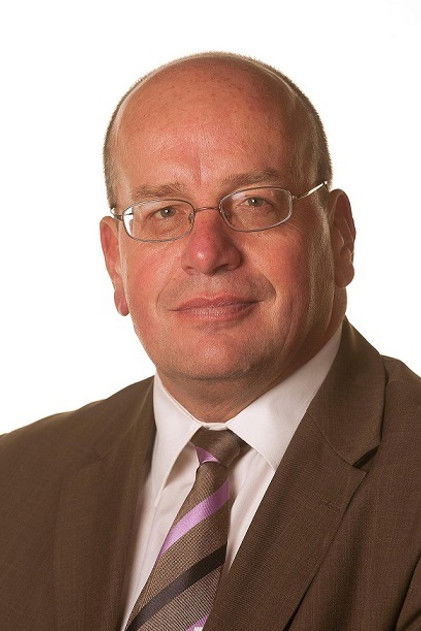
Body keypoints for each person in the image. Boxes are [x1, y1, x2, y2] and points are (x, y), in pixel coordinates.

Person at [0, 52, 420, 631]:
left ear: (339, 236)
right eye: (163, 212)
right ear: (115, 262)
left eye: (255, 201)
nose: (206, 252)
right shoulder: (14, 481)